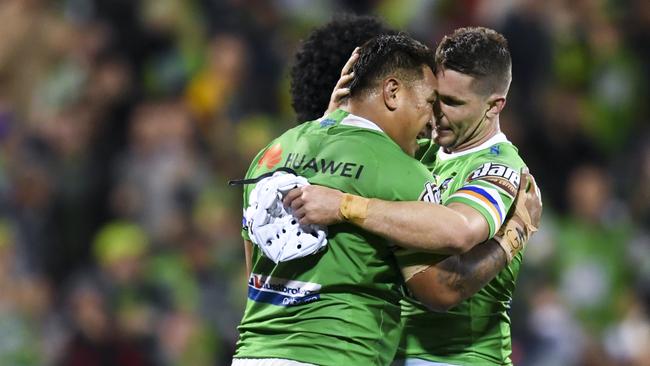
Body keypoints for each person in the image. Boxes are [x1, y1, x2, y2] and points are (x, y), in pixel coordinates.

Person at [285, 27, 538, 365]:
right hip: (388, 353)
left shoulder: (498, 169)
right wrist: (336, 123)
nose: (437, 113)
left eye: (452, 103)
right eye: (435, 98)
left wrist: (513, 236)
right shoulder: (415, 150)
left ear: (494, 106)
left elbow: (454, 256)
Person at [232, 34, 439, 366]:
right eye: (430, 102)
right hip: (340, 354)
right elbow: (440, 290)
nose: (432, 120)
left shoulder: (270, 154)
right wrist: (507, 234)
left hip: (254, 355)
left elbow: (254, 276)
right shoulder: (405, 174)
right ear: (392, 91)